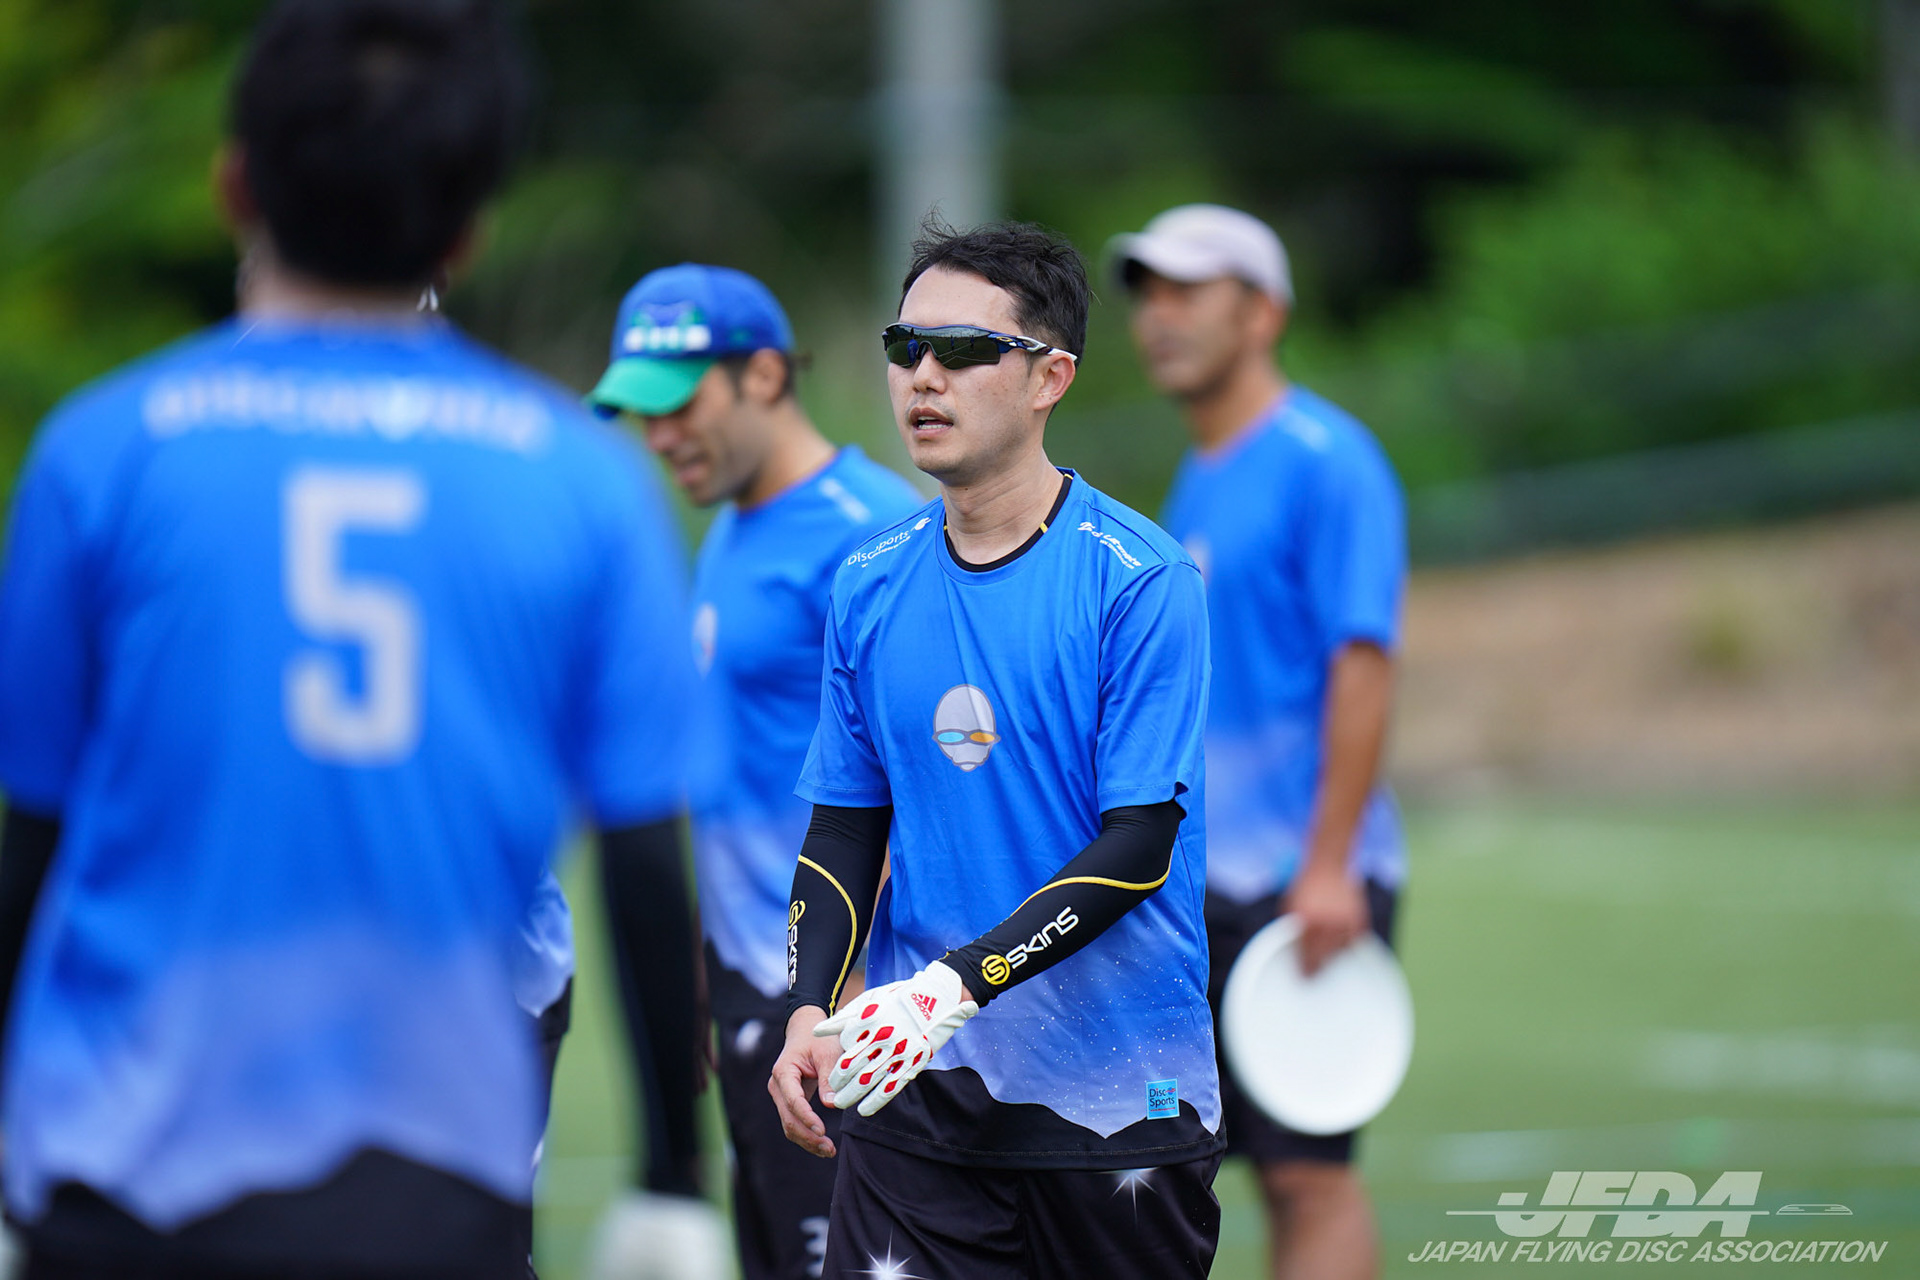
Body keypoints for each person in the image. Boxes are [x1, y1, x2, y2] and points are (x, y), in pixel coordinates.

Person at [0, 3, 704, 1276]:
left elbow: (30, 838)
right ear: (469, 227)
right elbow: (645, 857)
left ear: (236, 186)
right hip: (430, 1184)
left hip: (126, 1178)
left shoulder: (103, 451)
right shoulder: (584, 479)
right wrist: (672, 1180)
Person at [767, 221, 1222, 1280]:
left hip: (1116, 1109)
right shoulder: (867, 582)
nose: (924, 376)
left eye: (965, 350)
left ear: (1049, 377)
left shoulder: (1139, 580)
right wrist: (809, 1008)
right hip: (915, 1100)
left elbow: (1139, 843)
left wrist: (952, 986)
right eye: (906, 346)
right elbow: (844, 827)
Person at [582, 263, 921, 1280]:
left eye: (678, 405)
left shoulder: (873, 528)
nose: (659, 436)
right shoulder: (728, 527)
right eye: (641, 414)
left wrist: (846, 996)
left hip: (834, 996)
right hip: (751, 983)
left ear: (764, 375)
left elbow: (920, 776)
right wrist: (701, 953)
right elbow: (730, 761)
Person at [1112, 203, 1408, 1280]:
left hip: (1300, 885)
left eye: (1190, 291)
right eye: (1148, 293)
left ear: (1264, 312)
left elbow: (1363, 662)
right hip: (1196, 887)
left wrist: (1327, 866)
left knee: (1304, 1174)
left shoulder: (1327, 459)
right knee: (1161, 1163)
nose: (1160, 316)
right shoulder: (1201, 473)